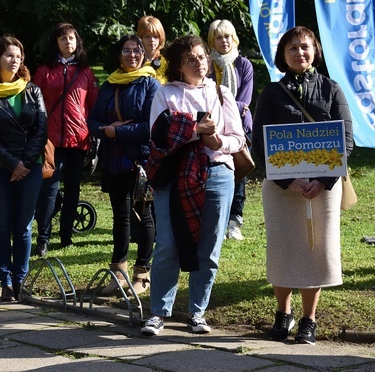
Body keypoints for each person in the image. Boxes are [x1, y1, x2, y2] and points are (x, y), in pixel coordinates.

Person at [252, 26, 353, 345]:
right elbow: (259, 144)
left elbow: (346, 140)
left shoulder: (332, 88)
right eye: (292, 48)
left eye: (305, 46)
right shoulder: (271, 93)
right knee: (283, 252)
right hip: (282, 188)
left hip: (323, 188)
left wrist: (323, 180)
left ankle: (309, 319)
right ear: (283, 55)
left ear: (315, 51)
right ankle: (284, 313)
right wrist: (287, 179)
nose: (300, 52)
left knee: (315, 253)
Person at [141, 35, 245, 336]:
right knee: (168, 245)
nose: (199, 62)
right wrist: (196, 129)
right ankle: (159, 312)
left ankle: (197, 313)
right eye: (191, 59)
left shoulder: (221, 93)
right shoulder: (166, 93)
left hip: (217, 173)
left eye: (202, 56)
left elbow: (237, 139)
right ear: (178, 66)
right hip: (174, 176)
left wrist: (214, 140)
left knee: (209, 249)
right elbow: (158, 135)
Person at [0, 35, 47, 302]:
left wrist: (25, 163)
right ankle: (5, 280)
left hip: (30, 166)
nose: (14, 60)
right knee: (2, 226)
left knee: (24, 227)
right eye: (8, 55)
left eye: (18, 56)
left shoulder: (32, 90)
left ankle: (21, 281)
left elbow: (41, 129)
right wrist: (11, 163)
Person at [88, 35, 159, 296]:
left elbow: (151, 126)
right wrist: (105, 130)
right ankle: (118, 274)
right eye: (126, 51)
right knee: (120, 216)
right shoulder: (109, 84)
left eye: (137, 50)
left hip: (140, 162)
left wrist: (117, 132)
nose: (132, 55)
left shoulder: (150, 84)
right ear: (119, 55)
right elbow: (92, 120)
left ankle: (143, 274)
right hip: (113, 162)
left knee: (144, 215)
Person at [32, 23, 98, 255]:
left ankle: (66, 236)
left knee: (73, 189)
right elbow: (34, 105)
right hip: (51, 140)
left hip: (78, 140)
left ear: (77, 42)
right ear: (56, 43)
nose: (68, 42)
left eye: (71, 38)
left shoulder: (86, 72)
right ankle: (43, 238)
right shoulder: (43, 71)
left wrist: (92, 135)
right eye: (63, 38)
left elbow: (93, 106)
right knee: (48, 189)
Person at [207, 19, 254, 241]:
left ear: (233, 38)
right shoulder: (206, 64)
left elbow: (244, 101)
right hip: (213, 129)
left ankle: (235, 222)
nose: (224, 41)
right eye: (219, 37)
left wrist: (222, 108)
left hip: (239, 129)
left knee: (239, 175)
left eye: (227, 36)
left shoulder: (243, 64)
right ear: (212, 40)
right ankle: (218, 220)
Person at [137, 15, 168, 85]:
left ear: (161, 38)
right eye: (147, 36)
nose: (152, 40)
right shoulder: (135, 61)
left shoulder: (165, 62)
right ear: (140, 38)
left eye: (155, 36)